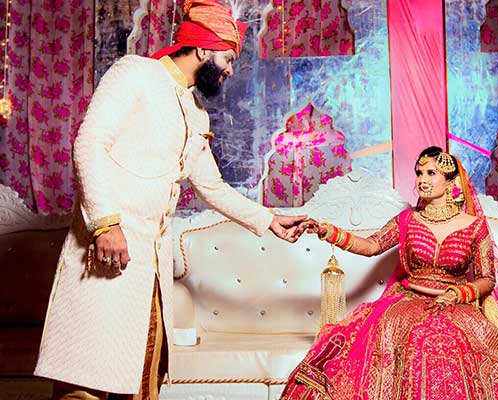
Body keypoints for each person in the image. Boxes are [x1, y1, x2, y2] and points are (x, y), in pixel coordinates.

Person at [34, 0, 307, 398]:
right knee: (87, 379)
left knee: (141, 377)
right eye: (228, 59)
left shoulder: (196, 113)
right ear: (203, 49)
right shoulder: (135, 74)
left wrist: (268, 220)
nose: (230, 71)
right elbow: (89, 144)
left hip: (151, 267)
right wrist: (106, 225)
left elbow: (212, 186)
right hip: (107, 248)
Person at [282, 146, 498, 400]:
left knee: (454, 341)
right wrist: (328, 231)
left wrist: (458, 293)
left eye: (431, 173)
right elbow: (371, 246)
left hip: (456, 304)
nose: (422, 180)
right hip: (407, 301)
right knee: (404, 335)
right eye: (419, 173)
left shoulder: (474, 226)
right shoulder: (408, 220)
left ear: (450, 182)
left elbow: (487, 279)